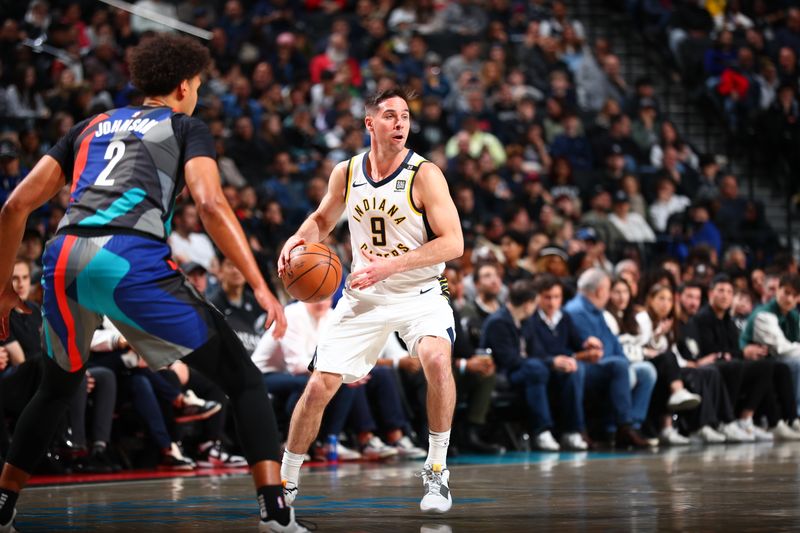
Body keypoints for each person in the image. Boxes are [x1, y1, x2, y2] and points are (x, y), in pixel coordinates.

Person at [0, 34, 304, 532]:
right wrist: (262, 284)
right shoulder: (185, 125)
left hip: (62, 258)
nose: (200, 95)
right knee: (243, 380)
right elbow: (209, 203)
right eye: (200, 87)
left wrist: (1, 287)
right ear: (184, 86)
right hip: (126, 258)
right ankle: (275, 511)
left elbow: (14, 206)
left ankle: (3, 505)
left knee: (57, 388)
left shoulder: (89, 125)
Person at [277, 88, 463, 514]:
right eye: (390, 116)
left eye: (406, 116)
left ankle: (437, 471)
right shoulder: (346, 171)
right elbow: (324, 218)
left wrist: (392, 266)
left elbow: (454, 244)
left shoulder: (425, 174)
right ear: (370, 123)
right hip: (364, 294)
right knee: (319, 386)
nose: (400, 123)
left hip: (419, 292)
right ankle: (285, 481)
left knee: (436, 359)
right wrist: (298, 238)